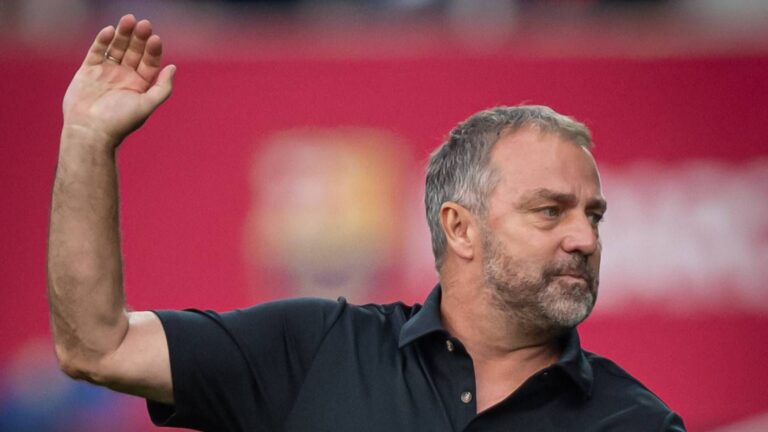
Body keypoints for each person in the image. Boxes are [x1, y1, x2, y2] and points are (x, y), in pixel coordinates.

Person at [47, 14, 685, 432]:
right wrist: (87, 142)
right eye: (550, 211)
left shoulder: (635, 422)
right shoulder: (316, 351)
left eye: (593, 215)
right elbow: (97, 347)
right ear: (460, 228)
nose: (584, 238)